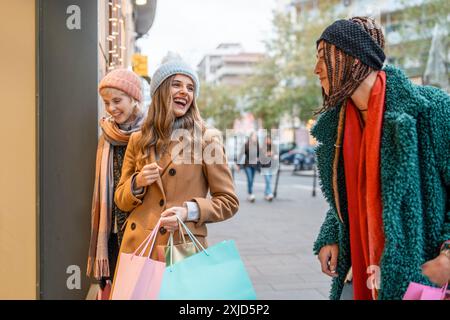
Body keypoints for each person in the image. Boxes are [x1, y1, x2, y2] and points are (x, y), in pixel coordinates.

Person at [311, 17, 450, 300]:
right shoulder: (337, 125)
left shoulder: (431, 109)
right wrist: (331, 234)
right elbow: (351, 194)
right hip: (358, 269)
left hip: (420, 274)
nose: (316, 70)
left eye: (324, 58)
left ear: (353, 58)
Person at [111, 57, 239, 288]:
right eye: (177, 84)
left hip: (181, 247)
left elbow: (228, 201)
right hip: (139, 247)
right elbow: (120, 200)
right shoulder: (139, 139)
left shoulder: (206, 139)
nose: (184, 92)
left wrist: (188, 211)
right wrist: (137, 182)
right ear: (160, 91)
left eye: (190, 88)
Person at [87, 68, 145, 294]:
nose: (111, 108)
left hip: (140, 226)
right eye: (106, 102)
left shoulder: (150, 133)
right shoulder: (106, 134)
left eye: (117, 100)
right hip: (111, 229)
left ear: (134, 99)